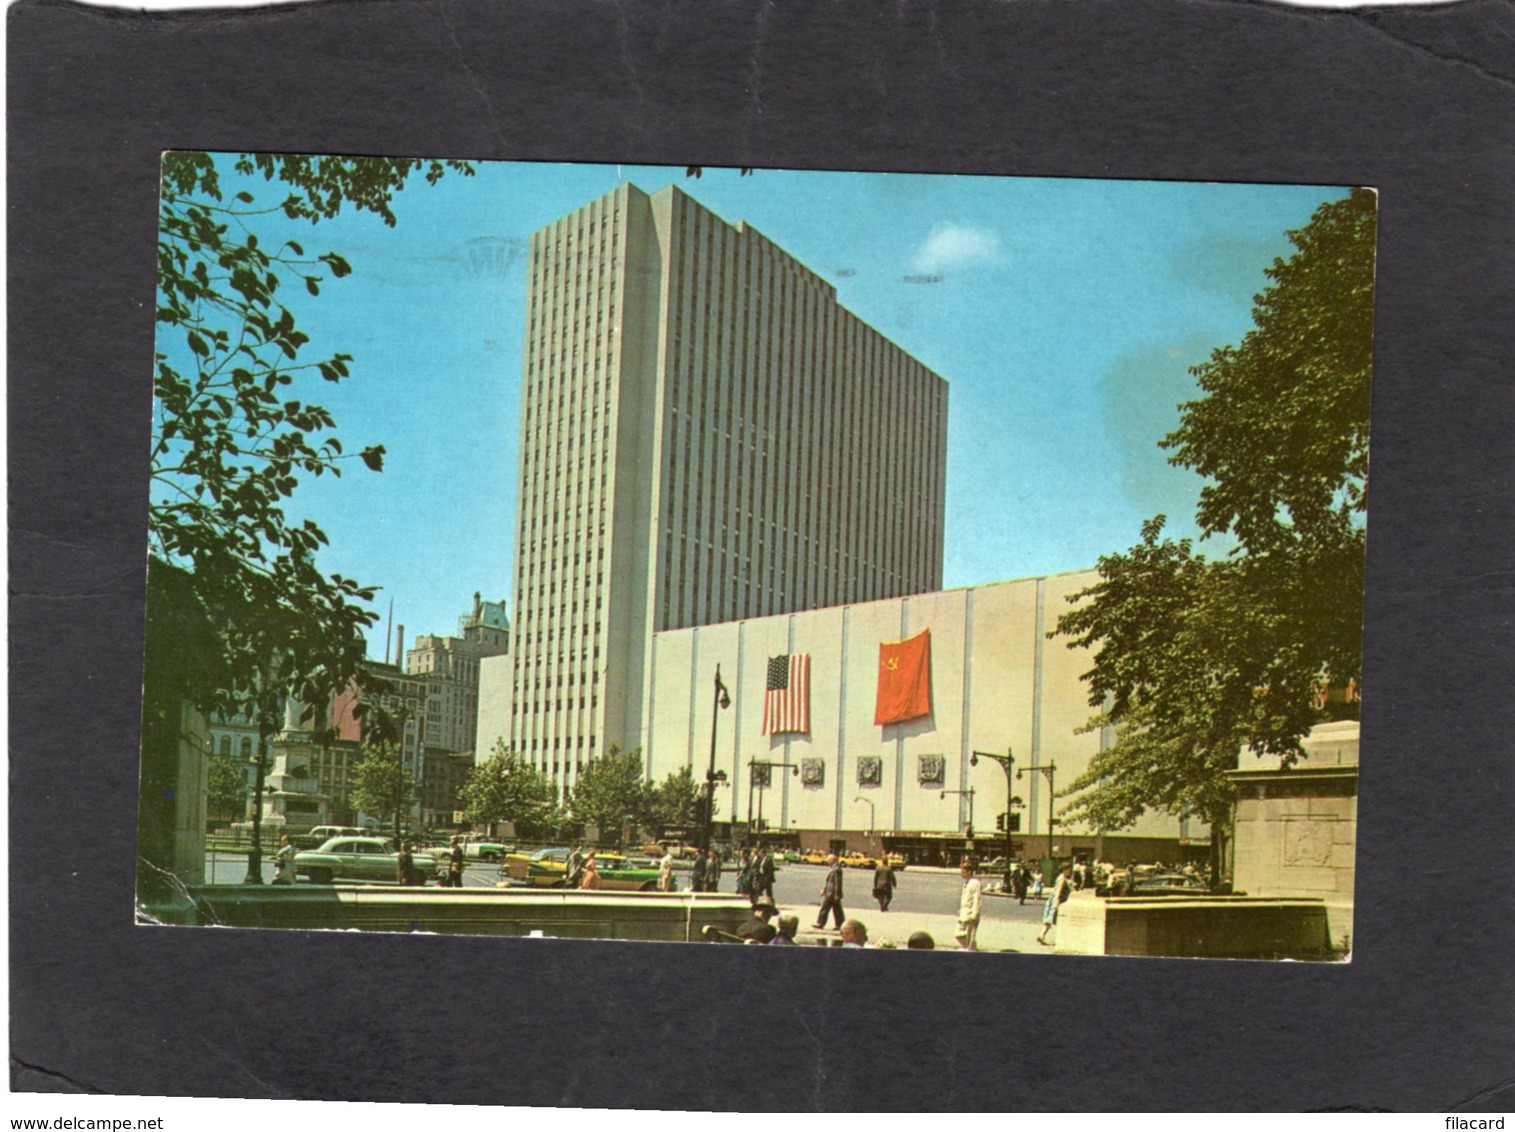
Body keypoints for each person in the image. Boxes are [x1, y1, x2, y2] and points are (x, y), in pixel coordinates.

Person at [1037, 862, 1074, 946]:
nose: (1070, 872)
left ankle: (1042, 934)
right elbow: (1059, 890)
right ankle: (1057, 938)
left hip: (1053, 899)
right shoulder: (1062, 878)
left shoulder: (1060, 877)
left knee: (1051, 919)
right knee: (1055, 919)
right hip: (1058, 900)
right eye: (1069, 870)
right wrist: (1057, 901)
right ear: (1065, 869)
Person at [955, 858, 982, 951]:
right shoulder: (966, 883)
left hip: (970, 914)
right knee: (958, 934)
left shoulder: (975, 883)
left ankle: (971, 951)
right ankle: (970, 950)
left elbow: (976, 899)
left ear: (969, 872)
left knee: (970, 937)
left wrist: (975, 913)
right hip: (964, 913)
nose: (961, 874)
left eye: (963, 872)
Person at [814, 854, 845, 930]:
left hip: (832, 893)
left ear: (833, 860)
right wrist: (824, 889)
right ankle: (840, 924)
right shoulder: (834, 868)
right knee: (837, 910)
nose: (827, 862)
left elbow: (837, 883)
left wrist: (836, 894)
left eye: (828, 860)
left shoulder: (837, 869)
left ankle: (821, 923)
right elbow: (829, 882)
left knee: (825, 908)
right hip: (830, 892)